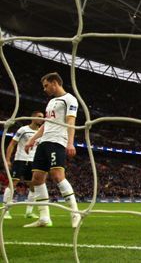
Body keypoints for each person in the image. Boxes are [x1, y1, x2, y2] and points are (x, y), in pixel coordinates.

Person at [24, 72, 81, 228]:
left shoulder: (69, 99)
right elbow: (45, 124)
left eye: (46, 85)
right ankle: (44, 218)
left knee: (57, 175)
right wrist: (32, 139)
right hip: (44, 142)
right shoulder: (50, 103)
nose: (44, 89)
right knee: (36, 178)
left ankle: (75, 213)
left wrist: (70, 143)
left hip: (57, 141)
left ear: (55, 82)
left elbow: (71, 121)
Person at [3, 111, 45, 219]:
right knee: (13, 184)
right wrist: (7, 159)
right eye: (40, 117)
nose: (42, 119)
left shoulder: (42, 133)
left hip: (33, 161)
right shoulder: (23, 130)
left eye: (43, 117)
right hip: (20, 160)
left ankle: (29, 212)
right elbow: (12, 144)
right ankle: (5, 211)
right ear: (33, 117)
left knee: (33, 186)